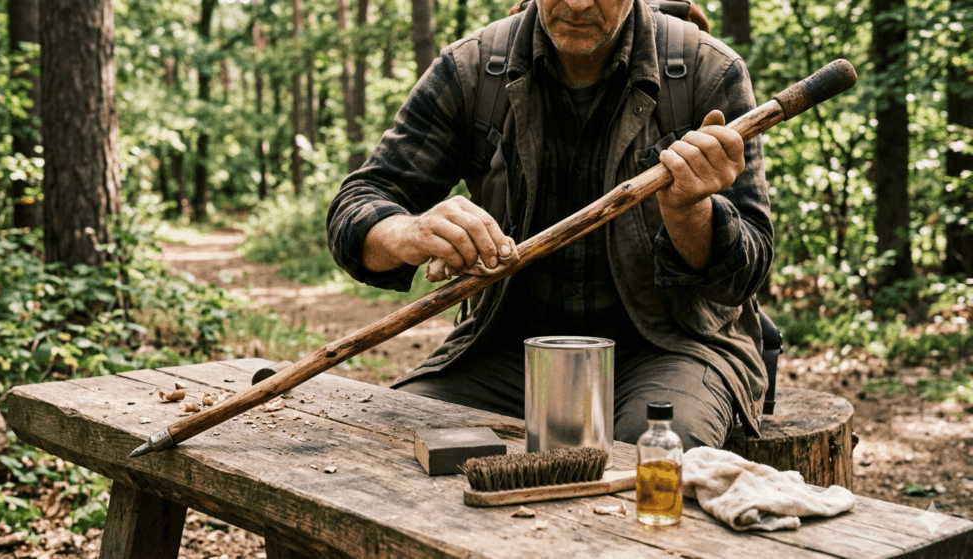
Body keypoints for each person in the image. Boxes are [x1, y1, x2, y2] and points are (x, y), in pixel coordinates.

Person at [326, 0, 772, 450]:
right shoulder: (473, 68)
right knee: (399, 444)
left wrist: (688, 211)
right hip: (505, 350)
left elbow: (747, 271)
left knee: (653, 461)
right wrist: (409, 233)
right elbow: (356, 208)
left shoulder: (707, 72)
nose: (577, 3)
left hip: (673, 349)